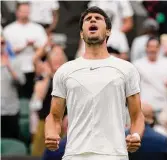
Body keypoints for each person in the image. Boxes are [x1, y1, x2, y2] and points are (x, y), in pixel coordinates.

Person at [45, 7, 145, 160]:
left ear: (108, 31)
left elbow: (137, 115)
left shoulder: (127, 69)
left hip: (114, 155)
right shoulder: (65, 71)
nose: (92, 19)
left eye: (98, 18)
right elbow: (54, 116)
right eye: (88, 19)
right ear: (81, 33)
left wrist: (136, 135)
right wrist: (51, 133)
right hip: (75, 155)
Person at [3, 2, 48, 98]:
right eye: (22, 11)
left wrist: (33, 45)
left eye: (27, 11)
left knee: (33, 97)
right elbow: (5, 51)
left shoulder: (38, 28)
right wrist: (24, 46)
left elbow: (45, 48)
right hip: (14, 70)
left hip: (34, 70)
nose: (25, 14)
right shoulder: (8, 30)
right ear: (17, 12)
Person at [31, 43, 67, 156]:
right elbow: (39, 95)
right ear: (49, 59)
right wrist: (47, 75)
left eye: (60, 55)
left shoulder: (67, 77)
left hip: (64, 123)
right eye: (55, 54)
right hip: (45, 123)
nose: (58, 57)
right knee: (39, 154)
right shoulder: (43, 76)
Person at [134, 37, 167, 114]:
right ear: (146, 48)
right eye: (150, 47)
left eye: (155, 47)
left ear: (159, 48)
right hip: (145, 107)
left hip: (165, 106)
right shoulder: (137, 64)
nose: (152, 49)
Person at [1, 35, 25, 139]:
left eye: (2, 43)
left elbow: (21, 82)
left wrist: (9, 67)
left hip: (11, 110)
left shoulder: (14, 62)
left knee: (11, 141)